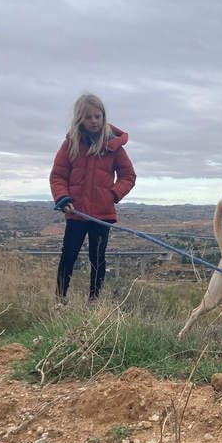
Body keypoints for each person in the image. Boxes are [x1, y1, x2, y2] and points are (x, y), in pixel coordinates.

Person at [50, 93, 136, 303]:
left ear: (103, 117)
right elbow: (58, 176)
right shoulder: (70, 144)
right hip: (75, 213)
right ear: (80, 118)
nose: (94, 121)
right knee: (68, 255)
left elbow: (128, 176)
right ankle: (60, 299)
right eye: (89, 117)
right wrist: (62, 198)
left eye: (98, 116)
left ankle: (94, 301)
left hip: (102, 215)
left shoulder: (114, 146)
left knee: (97, 259)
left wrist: (113, 195)